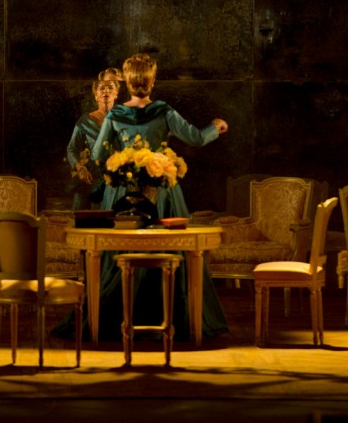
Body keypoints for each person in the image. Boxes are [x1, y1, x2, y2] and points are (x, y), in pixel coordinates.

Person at [86, 52, 230, 340]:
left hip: (123, 191)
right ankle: (174, 317)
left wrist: (122, 157)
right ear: (151, 82)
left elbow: (98, 154)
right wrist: (216, 127)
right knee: (169, 247)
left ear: (127, 83)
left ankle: (114, 319)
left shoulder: (114, 115)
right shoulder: (164, 111)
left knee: (120, 251)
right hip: (161, 189)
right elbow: (196, 138)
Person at [66, 68, 121, 210]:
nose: (106, 91)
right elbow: (71, 148)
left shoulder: (124, 119)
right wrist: (80, 168)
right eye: (102, 88)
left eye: (110, 87)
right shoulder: (85, 121)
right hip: (92, 177)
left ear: (116, 92)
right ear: (95, 93)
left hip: (118, 177)